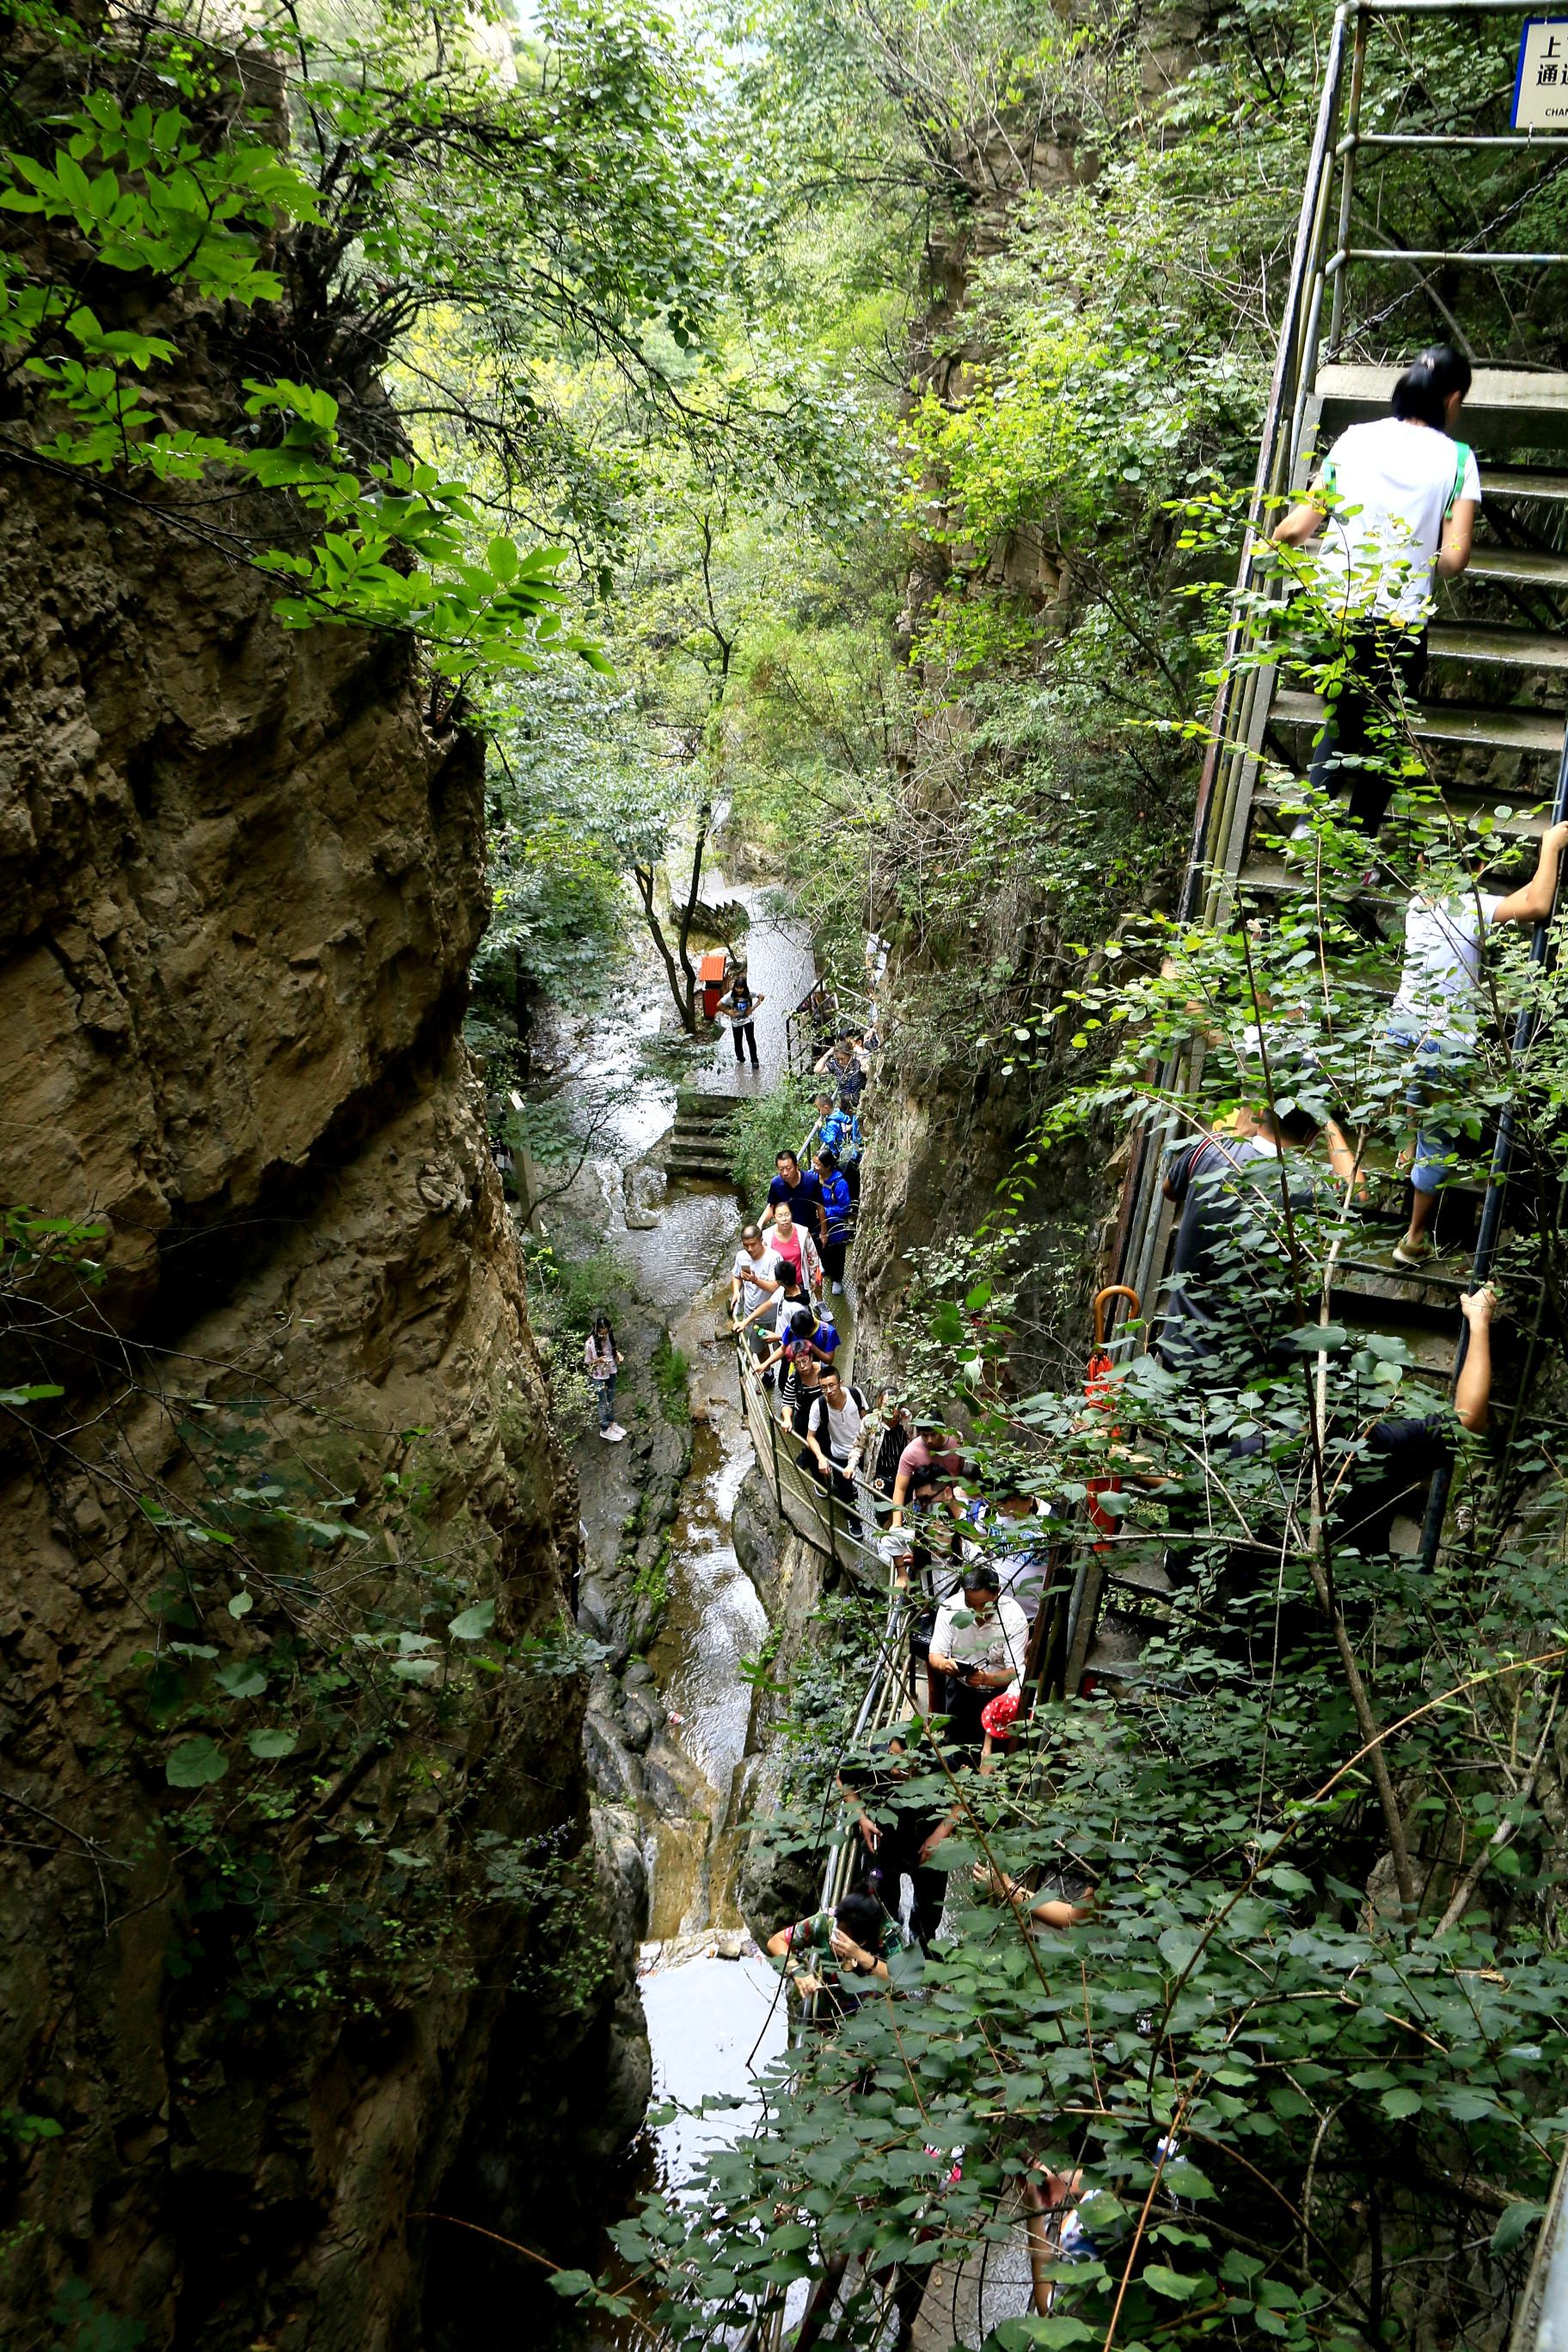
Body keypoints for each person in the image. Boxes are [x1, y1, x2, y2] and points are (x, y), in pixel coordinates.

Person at [1271, 344, 1479, 839]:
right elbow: (1454, 559)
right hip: (1399, 624)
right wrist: (1420, 548)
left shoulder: (1353, 439)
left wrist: (1272, 541)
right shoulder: (1458, 460)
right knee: (1387, 736)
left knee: (1343, 716)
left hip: (1335, 611)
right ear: (1451, 399)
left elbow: (1299, 527)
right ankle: (1357, 853)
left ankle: (1310, 826)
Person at [1387, 824, 1568, 1267]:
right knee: (1439, 1140)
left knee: (1419, 1091)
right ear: (1479, 868)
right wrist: (1551, 847)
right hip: (1444, 1045)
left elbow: (1518, 899)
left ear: (1423, 864)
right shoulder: (1471, 908)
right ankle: (1412, 1240)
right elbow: (1538, 904)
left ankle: (1406, 1146)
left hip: (1403, 1029)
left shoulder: (1418, 905)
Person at [1157, 1100, 1365, 1378]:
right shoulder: (1310, 1192)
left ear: (1259, 1111)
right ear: (1313, 1134)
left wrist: (1238, 1135)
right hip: (1242, 1377)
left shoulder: (1210, 1150)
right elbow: (1358, 1194)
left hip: (1177, 1355)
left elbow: (1169, 1189)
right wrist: (1327, 1122)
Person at [1333, 1283, 1496, 1559]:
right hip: (1348, 1595)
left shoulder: (1247, 1446)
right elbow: (1468, 1419)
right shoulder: (1371, 1444)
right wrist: (1479, 1322)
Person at [837, 1730, 948, 1950]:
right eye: (891, 1756)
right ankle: (890, 1940)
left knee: (928, 1907)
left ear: (921, 1763)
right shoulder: (873, 1761)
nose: (894, 1770)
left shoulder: (938, 1766)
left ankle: (923, 1945)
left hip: (926, 1848)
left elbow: (963, 1796)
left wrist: (939, 1834)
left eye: (904, 1765)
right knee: (882, 1899)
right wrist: (861, 1817)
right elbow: (843, 1778)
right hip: (883, 1849)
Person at [927, 1562, 1030, 1749]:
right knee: (957, 1745)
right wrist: (945, 1665)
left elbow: (1015, 1673)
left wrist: (986, 1679)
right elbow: (935, 1655)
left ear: (997, 1592)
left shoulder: (1013, 1617)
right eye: (970, 1604)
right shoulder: (950, 1609)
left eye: (983, 1605)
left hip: (998, 1694)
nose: (976, 1612)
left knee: (992, 1750)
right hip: (960, 1691)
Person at [766, 1889, 898, 2001]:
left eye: (845, 1940)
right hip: (829, 2017)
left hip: (878, 2020)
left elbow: (901, 1980)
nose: (838, 1941)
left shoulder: (889, 1934)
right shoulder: (826, 1921)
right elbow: (777, 1942)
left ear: (864, 1941)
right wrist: (797, 1971)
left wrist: (859, 1955)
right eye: (837, 1932)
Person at [805, 1369, 868, 1521]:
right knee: (845, 1492)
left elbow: (866, 1420)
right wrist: (821, 1457)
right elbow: (810, 1437)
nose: (829, 1390)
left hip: (862, 1449)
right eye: (824, 1387)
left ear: (840, 1383)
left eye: (832, 1385)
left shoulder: (855, 1394)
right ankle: (853, 1520)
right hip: (840, 1453)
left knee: (875, 1483)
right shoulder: (818, 1406)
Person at [890, 1420, 966, 1529]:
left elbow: (963, 1468)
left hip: (952, 1499)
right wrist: (897, 1522)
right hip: (924, 1503)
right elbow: (900, 1488)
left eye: (933, 1434)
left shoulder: (956, 1439)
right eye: (925, 1435)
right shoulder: (911, 1452)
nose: (929, 1440)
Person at [848, 1393, 914, 1510]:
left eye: (896, 1406)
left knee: (900, 1503)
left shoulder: (906, 1419)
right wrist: (851, 1465)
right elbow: (858, 1446)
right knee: (883, 1508)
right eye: (887, 1405)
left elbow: (912, 1443)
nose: (892, 1410)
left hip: (901, 1471)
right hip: (879, 1473)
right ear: (880, 1404)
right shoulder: (870, 1422)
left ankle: (894, 1521)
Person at [763, 1148, 826, 1248]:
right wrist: (759, 1225)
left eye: (788, 1168)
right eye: (781, 1169)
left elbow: (820, 1206)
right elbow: (772, 1206)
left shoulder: (811, 1180)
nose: (785, 1173)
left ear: (797, 1166)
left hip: (810, 1232)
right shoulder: (776, 1183)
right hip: (787, 1235)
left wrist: (824, 1232)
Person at [814, 1147, 855, 1295]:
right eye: (814, 1163)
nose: (814, 1167)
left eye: (817, 1165)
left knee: (837, 1253)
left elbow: (844, 1208)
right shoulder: (814, 1177)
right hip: (819, 1224)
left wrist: (825, 1212)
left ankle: (837, 1279)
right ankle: (827, 1268)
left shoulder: (840, 1184)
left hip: (835, 1225)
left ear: (828, 1166)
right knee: (822, 1249)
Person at [730, 1223, 784, 1324]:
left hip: (771, 1315)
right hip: (749, 1313)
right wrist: (736, 1292)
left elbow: (776, 1288)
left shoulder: (774, 1258)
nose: (750, 1249)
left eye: (753, 1244)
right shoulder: (741, 1256)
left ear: (761, 1240)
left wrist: (755, 1280)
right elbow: (736, 1275)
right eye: (746, 1245)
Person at [583, 1315, 626, 1442]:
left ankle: (611, 1422)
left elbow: (612, 1349)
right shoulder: (590, 1343)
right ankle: (604, 1428)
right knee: (602, 1402)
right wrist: (599, 1360)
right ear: (597, 1330)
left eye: (606, 1332)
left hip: (611, 1370)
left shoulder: (608, 1337)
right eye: (602, 1333)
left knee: (611, 1398)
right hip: (598, 1375)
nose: (604, 1335)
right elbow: (587, 1362)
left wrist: (618, 1354)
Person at [717, 962, 764, 1067]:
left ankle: (754, 1060)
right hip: (736, 1023)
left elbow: (761, 997)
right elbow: (719, 1005)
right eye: (737, 988)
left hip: (748, 1020)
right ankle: (740, 1058)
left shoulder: (749, 992)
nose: (739, 990)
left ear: (744, 988)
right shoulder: (730, 996)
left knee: (750, 1040)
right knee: (738, 1041)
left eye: (741, 988)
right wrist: (729, 1012)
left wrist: (752, 1008)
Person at [816, 1029, 868, 1102]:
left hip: (859, 1102)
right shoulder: (836, 1065)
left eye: (842, 1059)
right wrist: (831, 1050)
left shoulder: (858, 1064)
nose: (840, 1062)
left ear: (849, 1055)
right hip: (843, 1103)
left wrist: (860, 1052)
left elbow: (867, 1069)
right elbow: (817, 1070)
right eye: (838, 1059)